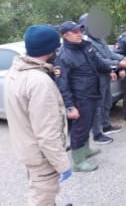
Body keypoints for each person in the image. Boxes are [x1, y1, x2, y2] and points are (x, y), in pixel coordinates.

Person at [4, 24, 72, 206]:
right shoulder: (39, 83)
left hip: (27, 147)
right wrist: (62, 164)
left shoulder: (16, 71)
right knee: (42, 196)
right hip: (41, 156)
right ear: (50, 50)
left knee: (38, 189)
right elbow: (47, 134)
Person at [55, 21, 116, 172]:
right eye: (75, 32)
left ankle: (86, 149)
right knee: (80, 128)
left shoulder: (86, 46)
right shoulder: (63, 56)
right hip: (80, 98)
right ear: (65, 35)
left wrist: (112, 68)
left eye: (80, 31)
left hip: (93, 92)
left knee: (88, 124)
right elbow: (62, 85)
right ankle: (77, 161)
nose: (79, 34)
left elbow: (98, 62)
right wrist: (70, 106)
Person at [79, 13, 126, 145]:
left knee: (107, 102)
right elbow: (99, 61)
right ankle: (97, 134)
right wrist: (117, 65)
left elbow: (109, 54)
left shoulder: (99, 39)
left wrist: (123, 58)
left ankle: (106, 125)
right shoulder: (87, 42)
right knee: (97, 106)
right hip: (95, 79)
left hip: (104, 76)